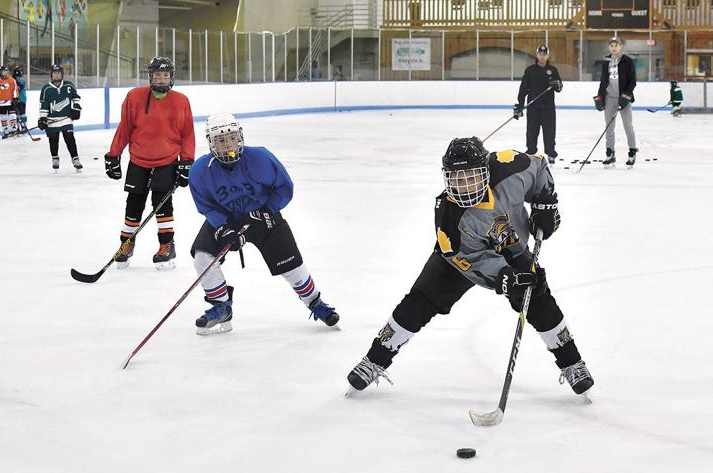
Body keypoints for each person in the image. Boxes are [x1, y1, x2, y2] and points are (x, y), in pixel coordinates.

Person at [345, 137, 594, 397]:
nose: (464, 188)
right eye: (457, 180)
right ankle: (374, 360)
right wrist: (505, 277)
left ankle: (572, 363)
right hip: (460, 259)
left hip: (513, 246)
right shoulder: (449, 219)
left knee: (538, 299)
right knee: (419, 303)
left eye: (471, 177)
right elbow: (471, 262)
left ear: (486, 170)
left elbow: (540, 167)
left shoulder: (509, 166)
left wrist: (545, 202)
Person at [188, 112, 339, 335]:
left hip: (264, 215)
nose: (227, 143)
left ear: (239, 137)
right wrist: (222, 226)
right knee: (203, 257)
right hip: (227, 219)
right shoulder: (200, 170)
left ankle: (315, 303)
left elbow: (284, 187)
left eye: (230, 137)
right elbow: (207, 205)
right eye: (220, 140)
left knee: (292, 266)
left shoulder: (260, 158)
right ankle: (221, 307)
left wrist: (269, 209)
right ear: (211, 143)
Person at [105, 57, 194, 270]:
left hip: (167, 160)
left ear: (171, 77)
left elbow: (187, 134)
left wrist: (187, 161)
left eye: (165, 75)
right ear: (150, 77)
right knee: (133, 204)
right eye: (157, 75)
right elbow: (125, 128)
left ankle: (166, 245)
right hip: (138, 160)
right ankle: (126, 245)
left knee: (162, 203)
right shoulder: (134, 97)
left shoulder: (181, 101)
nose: (161, 79)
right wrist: (114, 155)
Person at [514, 44, 563, 164]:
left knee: (549, 131)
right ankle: (531, 151)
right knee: (531, 131)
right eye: (540, 54)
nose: (542, 56)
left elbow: (559, 88)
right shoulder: (530, 70)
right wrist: (520, 105)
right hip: (533, 107)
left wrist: (557, 85)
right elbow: (523, 88)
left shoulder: (553, 70)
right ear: (537, 55)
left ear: (547, 55)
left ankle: (551, 153)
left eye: (544, 54)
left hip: (548, 107)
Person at [595, 37, 637, 168]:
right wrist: (600, 97)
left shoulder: (627, 61)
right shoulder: (606, 61)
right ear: (609, 47)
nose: (614, 47)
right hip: (609, 98)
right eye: (612, 45)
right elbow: (603, 81)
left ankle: (632, 152)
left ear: (620, 46)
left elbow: (632, 81)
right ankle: (610, 153)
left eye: (616, 45)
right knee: (609, 127)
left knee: (628, 126)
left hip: (623, 98)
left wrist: (626, 96)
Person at [38, 64, 82, 171]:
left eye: (58, 73)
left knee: (70, 138)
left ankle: (75, 158)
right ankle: (55, 158)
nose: (56, 75)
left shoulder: (69, 86)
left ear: (62, 74)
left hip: (66, 119)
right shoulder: (46, 89)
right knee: (53, 140)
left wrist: (76, 107)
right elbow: (43, 105)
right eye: (54, 73)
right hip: (52, 120)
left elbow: (75, 97)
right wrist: (43, 118)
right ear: (51, 75)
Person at [0, 65, 19, 138]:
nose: (5, 73)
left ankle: (14, 129)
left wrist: (15, 98)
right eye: (4, 71)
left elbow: (15, 89)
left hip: (10, 101)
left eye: (6, 71)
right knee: (3, 117)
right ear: (0, 72)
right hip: (1, 102)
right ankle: (6, 131)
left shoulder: (11, 80)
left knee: (12, 115)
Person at [12, 66, 28, 132]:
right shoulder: (15, 79)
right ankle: (19, 127)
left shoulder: (20, 79)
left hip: (20, 99)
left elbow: (19, 87)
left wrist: (15, 81)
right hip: (19, 99)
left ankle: (23, 126)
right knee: (18, 114)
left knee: (21, 113)